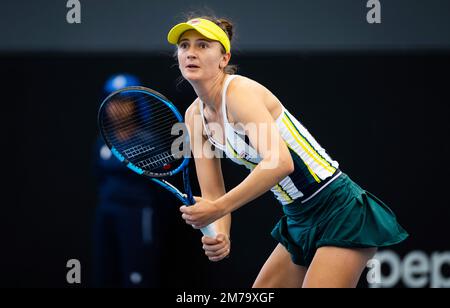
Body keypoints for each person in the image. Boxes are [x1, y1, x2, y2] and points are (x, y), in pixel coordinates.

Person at [166, 16, 409, 288]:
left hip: (338, 208)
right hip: (297, 217)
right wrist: (220, 232)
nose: (191, 52)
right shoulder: (193, 117)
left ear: (224, 58)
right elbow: (213, 195)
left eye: (202, 45)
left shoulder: (239, 93)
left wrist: (217, 209)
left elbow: (279, 162)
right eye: (184, 46)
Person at [92, 74, 171, 287]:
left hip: (137, 215)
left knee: (137, 275)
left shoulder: (150, 141)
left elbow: (162, 186)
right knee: (104, 271)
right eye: (113, 102)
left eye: (124, 102)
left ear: (136, 105)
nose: (118, 108)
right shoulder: (103, 140)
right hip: (106, 213)